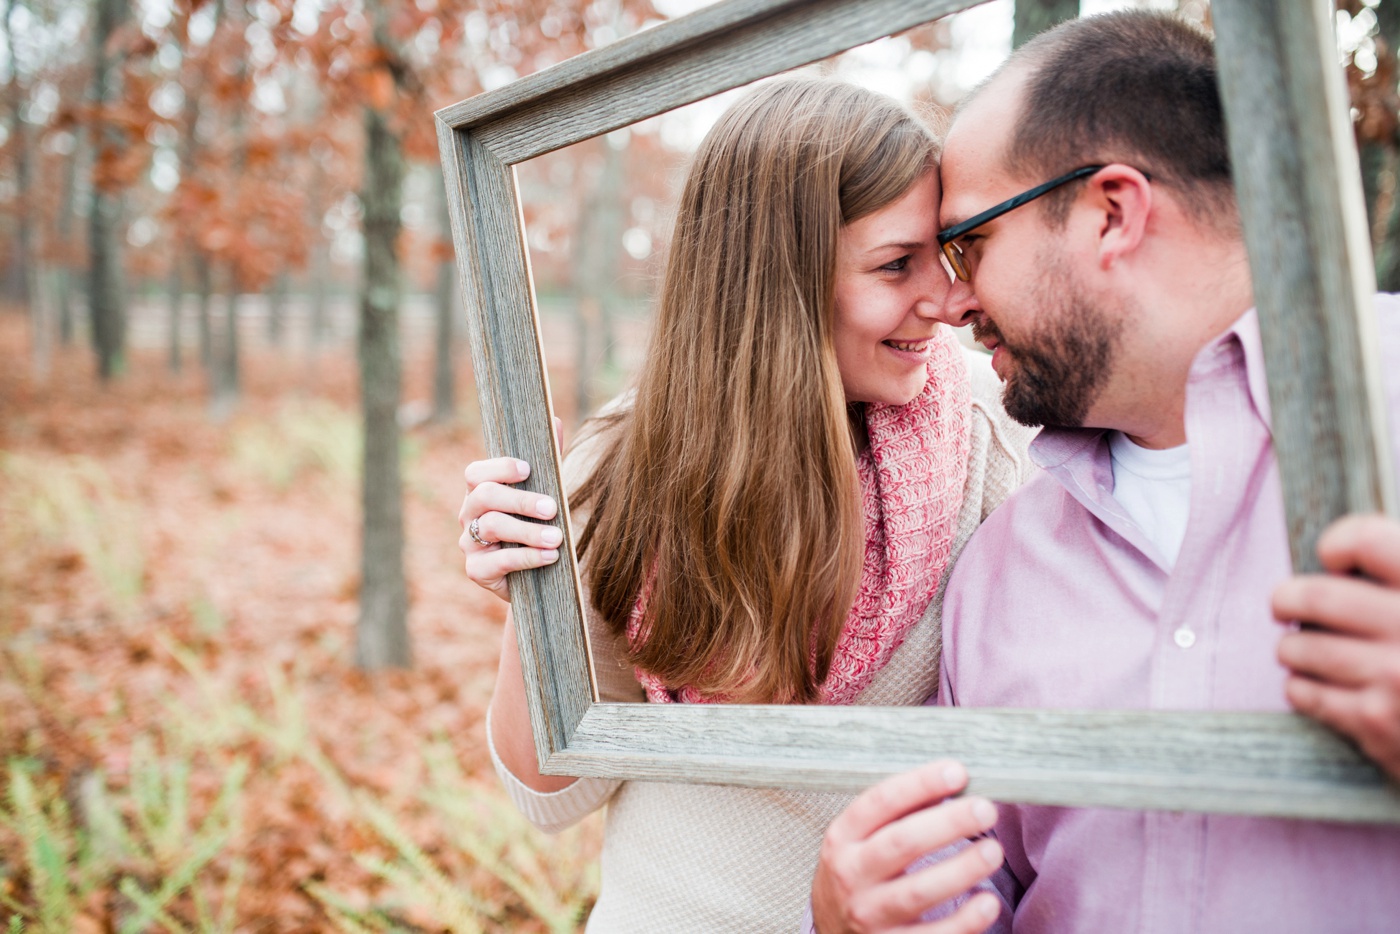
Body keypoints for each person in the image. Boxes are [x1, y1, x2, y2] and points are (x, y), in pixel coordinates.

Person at [809, 13, 1400, 934]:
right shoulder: (1000, 567)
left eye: (968, 245)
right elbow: (974, 892)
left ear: (1112, 213)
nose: (954, 302)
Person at [458, 77, 1033, 932]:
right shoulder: (624, 465)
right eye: (895, 265)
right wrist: (532, 595)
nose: (948, 302)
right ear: (778, 284)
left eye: (943, 256)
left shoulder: (987, 439)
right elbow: (550, 793)